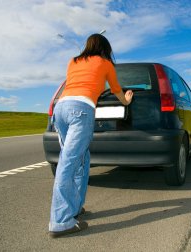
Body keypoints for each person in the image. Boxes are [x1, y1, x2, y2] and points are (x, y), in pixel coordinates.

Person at [49, 34, 133, 238]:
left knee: (81, 160)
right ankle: (60, 222)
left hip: (60, 109)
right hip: (81, 110)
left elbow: (75, 83)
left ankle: (75, 207)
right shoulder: (105, 64)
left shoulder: (73, 61)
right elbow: (116, 90)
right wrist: (127, 101)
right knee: (68, 164)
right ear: (106, 48)